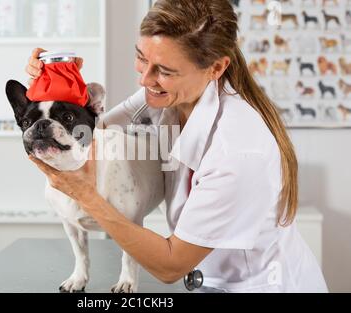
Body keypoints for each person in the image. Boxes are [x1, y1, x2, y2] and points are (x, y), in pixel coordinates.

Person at [25, 0, 328, 292]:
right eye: (141, 57)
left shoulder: (237, 151)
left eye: (165, 71)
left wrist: (84, 195)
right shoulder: (166, 97)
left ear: (216, 67)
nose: (145, 79)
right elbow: (93, 126)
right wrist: (55, 86)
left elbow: (171, 265)